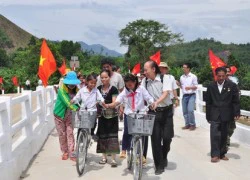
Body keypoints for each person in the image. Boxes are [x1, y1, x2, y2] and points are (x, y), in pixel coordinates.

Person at [109, 73, 154, 166]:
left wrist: (152, 103)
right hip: (129, 114)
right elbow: (119, 99)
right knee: (127, 132)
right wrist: (112, 105)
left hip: (141, 113)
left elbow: (148, 97)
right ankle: (124, 150)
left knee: (143, 134)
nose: (129, 86)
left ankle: (141, 155)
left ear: (135, 82)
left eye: (130, 84)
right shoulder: (125, 91)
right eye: (127, 84)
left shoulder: (141, 89)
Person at [141, 61, 173, 175]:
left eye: (146, 70)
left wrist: (156, 102)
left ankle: (164, 155)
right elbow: (141, 94)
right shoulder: (144, 81)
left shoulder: (165, 78)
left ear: (153, 69)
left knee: (167, 137)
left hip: (167, 111)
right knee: (155, 139)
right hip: (153, 112)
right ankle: (158, 165)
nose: (144, 72)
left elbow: (165, 94)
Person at [206, 67, 240, 163]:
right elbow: (208, 102)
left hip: (226, 114)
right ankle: (215, 155)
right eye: (219, 76)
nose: (221, 78)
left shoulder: (232, 86)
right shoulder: (211, 86)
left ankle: (222, 153)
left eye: (223, 76)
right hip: (214, 114)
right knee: (214, 135)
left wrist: (236, 112)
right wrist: (208, 116)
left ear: (226, 75)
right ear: (216, 75)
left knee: (224, 135)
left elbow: (235, 101)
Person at [53, 71, 80, 161]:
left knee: (70, 133)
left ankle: (72, 153)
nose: (71, 85)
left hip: (69, 115)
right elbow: (67, 102)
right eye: (70, 83)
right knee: (62, 134)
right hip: (59, 115)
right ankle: (65, 152)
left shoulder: (77, 91)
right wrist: (76, 108)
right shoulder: (62, 91)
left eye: (73, 83)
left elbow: (81, 99)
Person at [96, 70, 120, 167]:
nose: (104, 79)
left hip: (112, 116)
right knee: (102, 136)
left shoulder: (114, 89)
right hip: (101, 116)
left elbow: (115, 102)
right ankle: (104, 157)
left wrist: (107, 105)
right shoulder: (97, 89)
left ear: (109, 78)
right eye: (102, 77)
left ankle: (113, 159)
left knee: (112, 136)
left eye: (106, 77)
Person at [180, 63, 198, 130]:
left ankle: (193, 124)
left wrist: (190, 87)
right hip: (185, 95)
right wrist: (179, 84)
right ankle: (187, 124)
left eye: (184, 67)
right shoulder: (181, 77)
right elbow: (182, 87)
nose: (183, 68)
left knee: (190, 110)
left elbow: (196, 86)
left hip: (191, 95)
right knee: (185, 111)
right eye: (183, 67)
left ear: (188, 68)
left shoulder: (193, 76)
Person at [225, 66, 240, 150]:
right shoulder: (219, 83)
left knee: (232, 127)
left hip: (231, 109)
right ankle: (225, 143)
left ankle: (227, 137)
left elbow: (237, 96)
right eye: (225, 71)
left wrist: (237, 111)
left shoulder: (234, 84)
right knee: (224, 127)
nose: (227, 73)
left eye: (228, 71)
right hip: (222, 110)